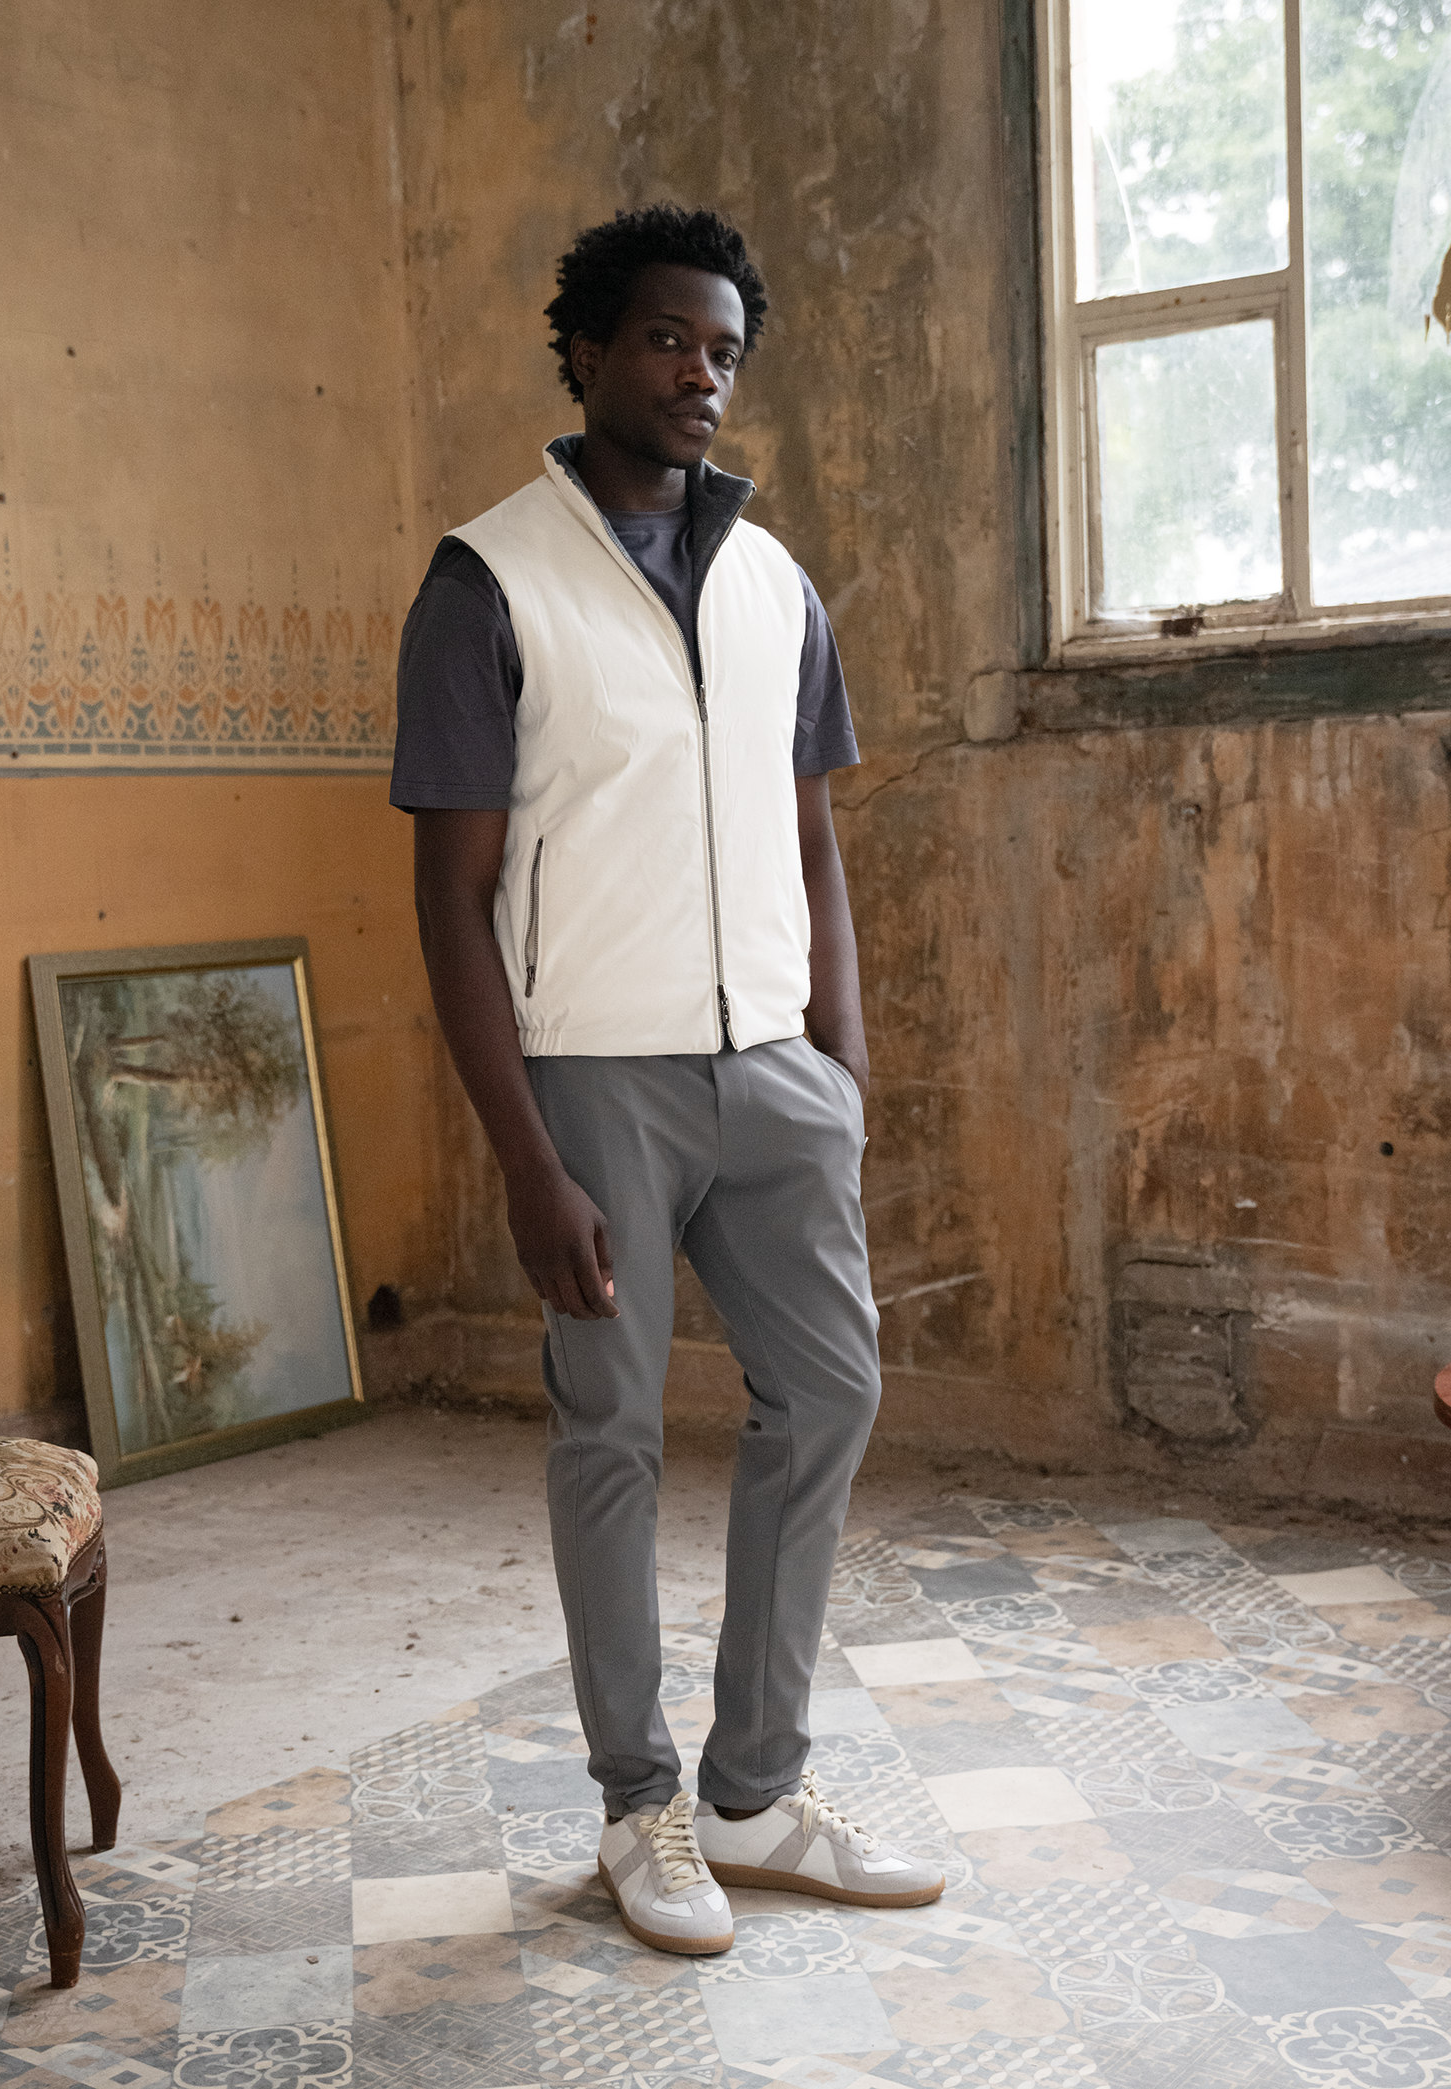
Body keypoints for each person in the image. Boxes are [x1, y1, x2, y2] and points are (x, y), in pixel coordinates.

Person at [391, 203, 944, 1956]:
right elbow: (451, 896)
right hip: (595, 1082)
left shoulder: (776, 583)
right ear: (583, 351)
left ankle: (754, 1796)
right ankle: (638, 1809)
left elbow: (811, 836)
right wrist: (524, 1159)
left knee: (829, 1396)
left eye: (722, 350)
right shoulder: (488, 581)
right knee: (611, 1435)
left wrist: (839, 1057)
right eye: (663, 340)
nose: (698, 374)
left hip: (775, 1072)